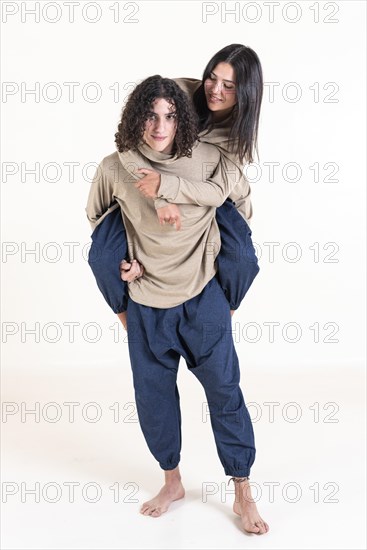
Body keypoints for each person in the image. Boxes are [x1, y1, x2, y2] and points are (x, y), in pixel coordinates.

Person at [86, 75, 269, 534]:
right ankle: (172, 482)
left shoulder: (209, 159)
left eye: (170, 114)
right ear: (136, 117)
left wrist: (219, 266)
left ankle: (242, 489)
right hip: (146, 305)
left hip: (203, 300)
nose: (159, 125)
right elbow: (97, 218)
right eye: (150, 114)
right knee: (154, 401)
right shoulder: (115, 166)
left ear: (183, 118)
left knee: (226, 394)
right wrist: (124, 262)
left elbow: (241, 208)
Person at [88, 44, 262, 328]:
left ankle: (222, 321)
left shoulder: (236, 136)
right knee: (102, 257)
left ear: (245, 93)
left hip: (212, 197)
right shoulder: (180, 93)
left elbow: (218, 194)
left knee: (242, 259)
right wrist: (158, 196)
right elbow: (128, 140)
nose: (215, 90)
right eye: (212, 78)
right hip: (147, 189)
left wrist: (165, 187)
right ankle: (129, 323)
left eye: (228, 85)